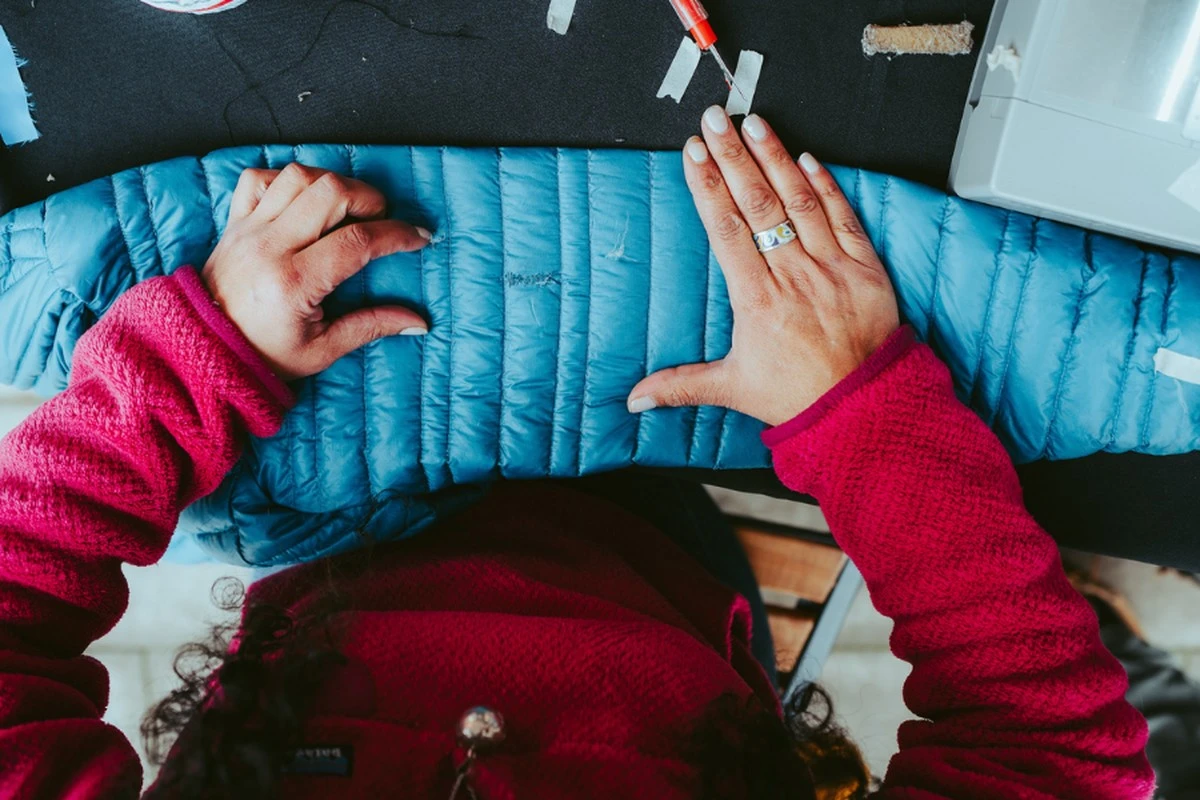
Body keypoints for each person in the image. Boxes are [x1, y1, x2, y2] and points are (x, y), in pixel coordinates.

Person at [0, 107, 1154, 799]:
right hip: (665, 577)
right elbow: (1054, 753)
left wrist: (193, 355)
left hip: (343, 526)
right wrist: (860, 411)